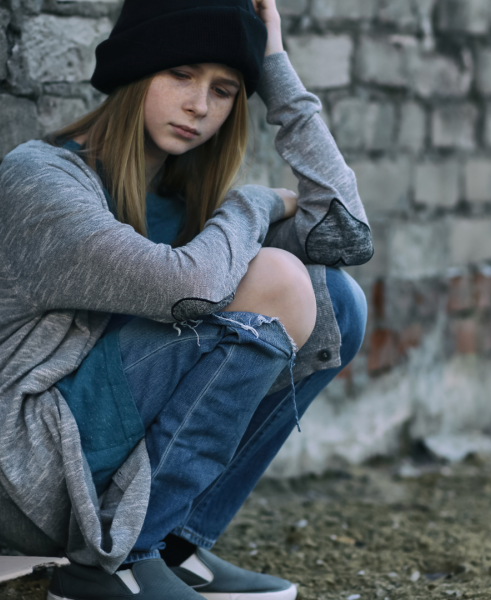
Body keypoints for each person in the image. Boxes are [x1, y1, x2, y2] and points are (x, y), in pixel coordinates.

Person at [0, 0, 373, 597]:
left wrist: (272, 67)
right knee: (275, 276)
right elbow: (187, 289)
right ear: (137, 69)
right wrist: (251, 204)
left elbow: (346, 232)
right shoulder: (42, 178)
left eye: (224, 90)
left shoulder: (184, 200)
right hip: (29, 471)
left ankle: (175, 544)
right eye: (181, 75)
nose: (201, 106)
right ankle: (117, 560)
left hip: (94, 447)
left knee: (338, 302)